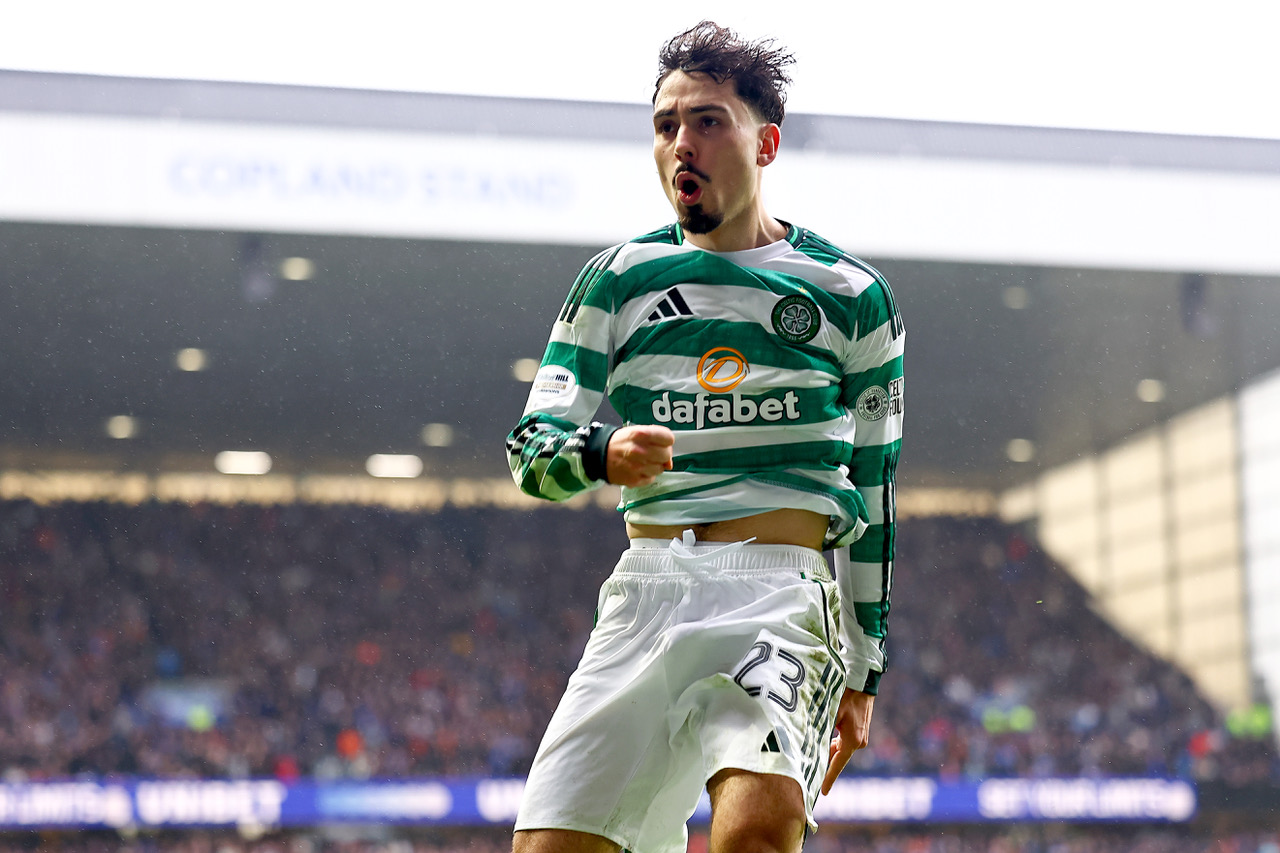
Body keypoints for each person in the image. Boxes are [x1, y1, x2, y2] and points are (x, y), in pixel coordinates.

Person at [505, 20, 904, 853]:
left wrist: (865, 669)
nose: (681, 143)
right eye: (666, 126)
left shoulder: (852, 296)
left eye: (708, 121)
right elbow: (531, 448)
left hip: (780, 594)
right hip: (649, 588)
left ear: (767, 144)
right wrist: (598, 455)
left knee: (756, 830)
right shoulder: (618, 281)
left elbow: (874, 493)